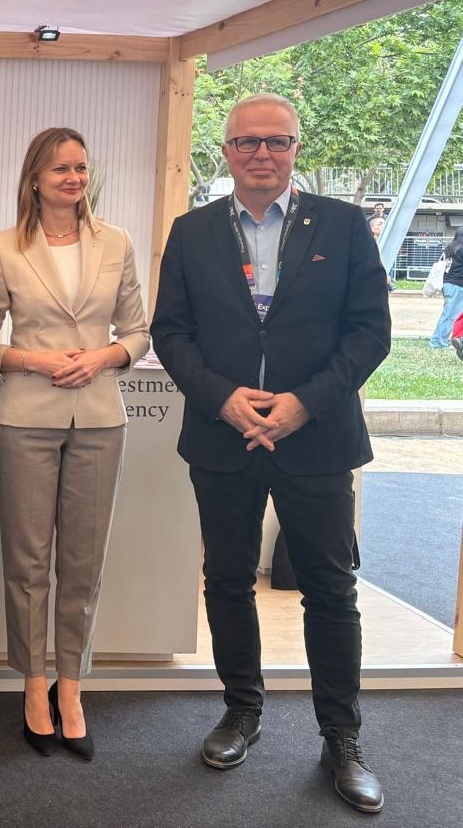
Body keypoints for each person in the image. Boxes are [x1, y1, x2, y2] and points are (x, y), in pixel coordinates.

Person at [152, 93, 391, 814]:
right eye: (247, 141)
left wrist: (303, 404)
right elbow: (171, 332)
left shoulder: (344, 226)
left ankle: (341, 738)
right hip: (222, 436)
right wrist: (222, 398)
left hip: (315, 436)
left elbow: (369, 332)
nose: (262, 153)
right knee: (227, 579)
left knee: (330, 589)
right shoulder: (193, 231)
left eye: (276, 141)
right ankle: (241, 711)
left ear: (295, 148)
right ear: (226, 151)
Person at [0, 127, 149, 761]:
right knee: (27, 563)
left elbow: (138, 331)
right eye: (60, 169)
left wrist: (103, 357)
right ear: (35, 177)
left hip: (100, 418)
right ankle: (33, 685)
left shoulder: (116, 242)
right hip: (25, 415)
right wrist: (35, 360)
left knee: (83, 562)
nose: (74, 178)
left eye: (81, 167)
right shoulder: (3, 246)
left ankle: (72, 687)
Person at [427, 227, 463, 348]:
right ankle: (437, 342)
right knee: (450, 315)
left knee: (450, 314)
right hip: (458, 285)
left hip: (448, 284)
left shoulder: (450, 248)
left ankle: (448, 339)